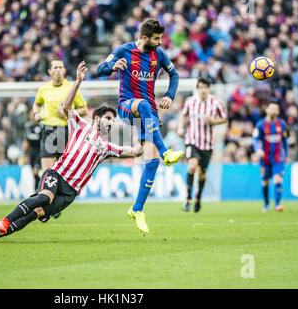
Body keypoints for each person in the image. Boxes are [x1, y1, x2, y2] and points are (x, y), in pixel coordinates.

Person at [0, 61, 143, 242]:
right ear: (97, 118)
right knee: (44, 198)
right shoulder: (80, 126)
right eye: (108, 118)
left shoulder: (107, 147)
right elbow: (66, 108)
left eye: (113, 120)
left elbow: (136, 151)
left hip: (70, 192)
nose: (110, 123)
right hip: (58, 174)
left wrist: (140, 131)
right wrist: (77, 83)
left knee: (38, 213)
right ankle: (4, 221)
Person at [96, 19, 184, 234]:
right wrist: (111, 66)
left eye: (161, 38)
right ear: (144, 38)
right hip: (127, 106)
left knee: (151, 162)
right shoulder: (124, 50)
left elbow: (174, 74)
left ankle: (137, 209)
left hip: (149, 112)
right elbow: (100, 69)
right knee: (144, 105)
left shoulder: (158, 55)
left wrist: (170, 97)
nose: (160, 42)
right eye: (156, 39)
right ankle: (166, 152)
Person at [177, 78, 227, 212]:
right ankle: (187, 199)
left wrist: (213, 121)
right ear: (197, 89)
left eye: (205, 87)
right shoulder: (190, 101)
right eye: (200, 87)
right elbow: (183, 115)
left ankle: (198, 197)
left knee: (202, 174)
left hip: (207, 143)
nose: (203, 90)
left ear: (209, 89)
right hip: (191, 140)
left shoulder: (216, 102)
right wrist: (181, 128)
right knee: (192, 166)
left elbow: (224, 118)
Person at [31, 59, 88, 172]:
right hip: (48, 130)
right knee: (47, 172)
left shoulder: (71, 88)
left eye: (60, 67)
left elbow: (84, 109)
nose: (58, 70)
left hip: (65, 131)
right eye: (55, 68)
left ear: (64, 70)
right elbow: (37, 104)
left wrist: (69, 112)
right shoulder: (44, 88)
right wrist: (36, 113)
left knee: (64, 171)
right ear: (49, 71)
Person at [253, 99, 289, 212]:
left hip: (278, 158)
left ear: (278, 112)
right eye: (272, 108)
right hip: (265, 159)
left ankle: (277, 204)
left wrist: (286, 154)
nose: (274, 111)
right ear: (267, 110)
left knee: (277, 180)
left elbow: (285, 141)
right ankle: (266, 204)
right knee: (265, 182)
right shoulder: (260, 125)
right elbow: (255, 139)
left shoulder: (282, 124)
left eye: (276, 109)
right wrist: (258, 150)